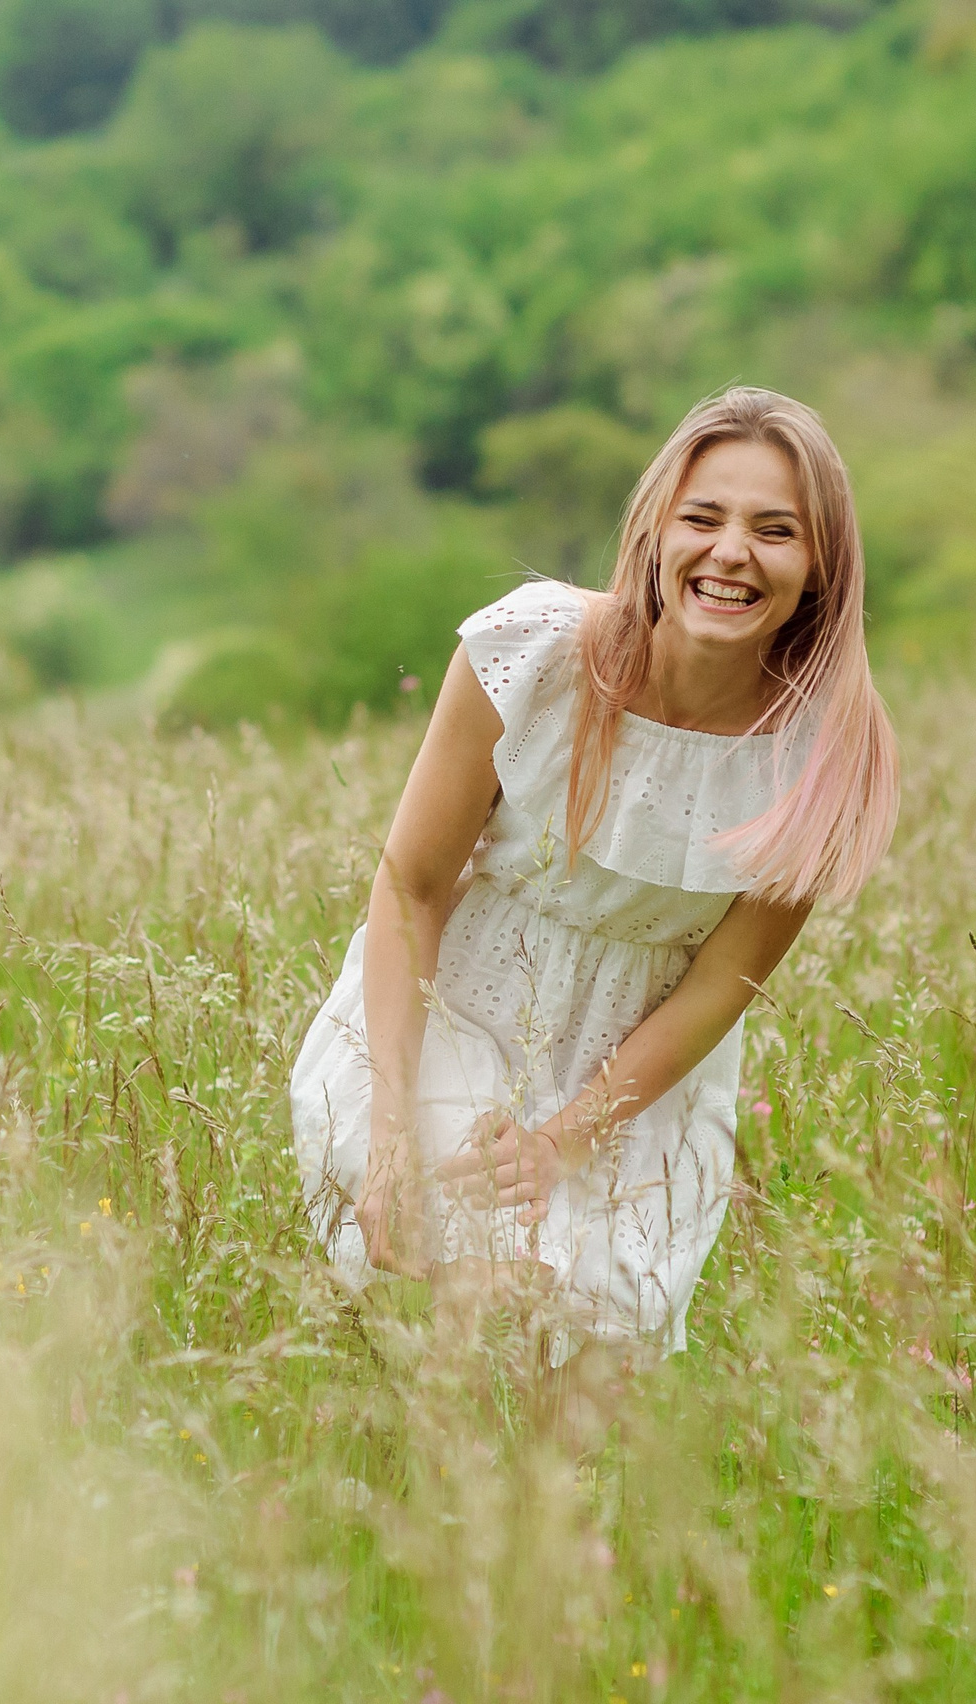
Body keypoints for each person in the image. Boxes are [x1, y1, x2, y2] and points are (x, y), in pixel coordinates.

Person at [290, 386, 899, 1410]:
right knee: (457, 1308)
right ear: (655, 531)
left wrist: (563, 1139)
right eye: (702, 518)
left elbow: (718, 986)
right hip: (452, 1006)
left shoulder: (826, 753)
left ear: (820, 568)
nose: (730, 553)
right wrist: (392, 1123)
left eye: (775, 531)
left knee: (571, 1398)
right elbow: (413, 883)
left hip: (633, 1072)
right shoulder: (531, 653)